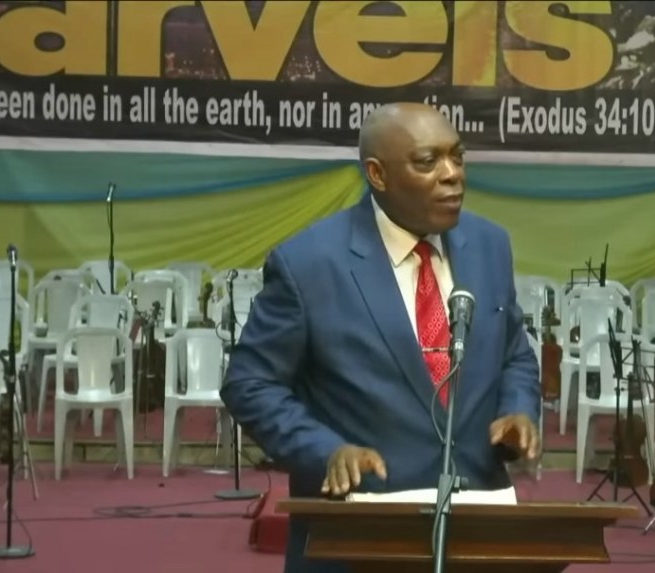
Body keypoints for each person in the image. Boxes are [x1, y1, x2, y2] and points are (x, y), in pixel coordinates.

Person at [220, 102, 542, 573]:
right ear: (377, 174)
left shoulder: (489, 245)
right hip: (354, 536)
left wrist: (518, 409)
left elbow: (513, 352)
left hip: (478, 532)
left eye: (457, 156)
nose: (452, 175)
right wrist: (325, 449)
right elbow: (250, 384)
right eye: (428, 162)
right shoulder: (308, 263)